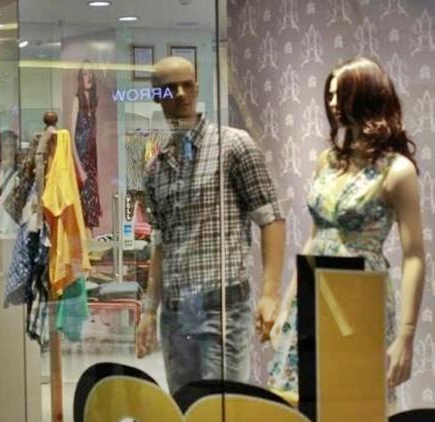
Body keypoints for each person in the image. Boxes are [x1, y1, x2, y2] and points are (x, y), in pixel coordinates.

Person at [269, 57, 425, 396]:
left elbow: (414, 255)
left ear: (368, 95)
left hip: (359, 293)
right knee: (305, 398)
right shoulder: (328, 162)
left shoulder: (396, 171)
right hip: (313, 290)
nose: (334, 104)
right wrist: (287, 304)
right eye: (331, 95)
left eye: (343, 94)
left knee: (353, 401)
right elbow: (314, 238)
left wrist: (406, 335)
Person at [136, 56, 286, 397]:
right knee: (187, 420)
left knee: (224, 419)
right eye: (170, 88)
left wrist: (269, 292)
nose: (181, 93)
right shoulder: (156, 169)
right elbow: (161, 242)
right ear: (157, 96)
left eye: (187, 84)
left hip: (221, 310)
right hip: (175, 315)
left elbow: (271, 218)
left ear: (197, 87)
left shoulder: (233, 146)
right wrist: (148, 310)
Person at [71, 59, 102, 230]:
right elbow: (72, 137)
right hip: (81, 159)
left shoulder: (93, 102)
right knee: (82, 203)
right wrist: (80, 168)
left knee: (90, 207)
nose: (88, 77)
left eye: (90, 73)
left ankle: (89, 246)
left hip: (91, 159)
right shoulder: (77, 100)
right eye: (84, 74)